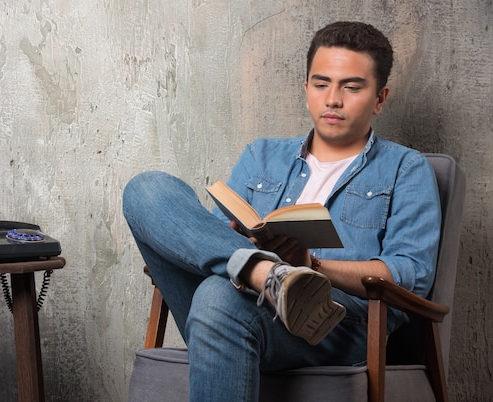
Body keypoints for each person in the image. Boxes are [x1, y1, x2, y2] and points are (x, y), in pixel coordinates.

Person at [122, 21, 441, 401]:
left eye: (351, 87)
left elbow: (411, 275)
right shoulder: (261, 156)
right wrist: (240, 244)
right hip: (239, 302)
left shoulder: (406, 168)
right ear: (306, 89)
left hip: (336, 323)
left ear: (379, 98)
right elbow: (201, 243)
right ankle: (266, 273)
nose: (333, 99)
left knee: (217, 295)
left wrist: (314, 266)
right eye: (321, 84)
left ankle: (275, 278)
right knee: (145, 188)